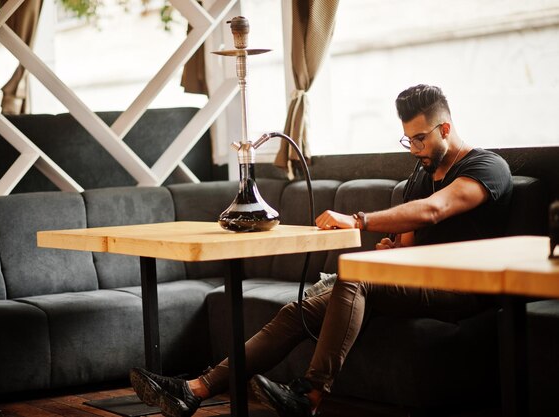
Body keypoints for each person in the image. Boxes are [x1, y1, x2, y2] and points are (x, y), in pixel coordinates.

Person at [129, 84, 513, 417]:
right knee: (297, 312)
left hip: (464, 288)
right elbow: (409, 242)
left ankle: (310, 394)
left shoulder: (486, 167)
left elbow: (435, 211)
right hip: (418, 281)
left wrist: (360, 221)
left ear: (444, 128)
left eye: (420, 139)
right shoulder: (421, 174)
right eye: (408, 140)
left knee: (355, 272)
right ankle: (193, 391)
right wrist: (389, 250)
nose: (414, 149)